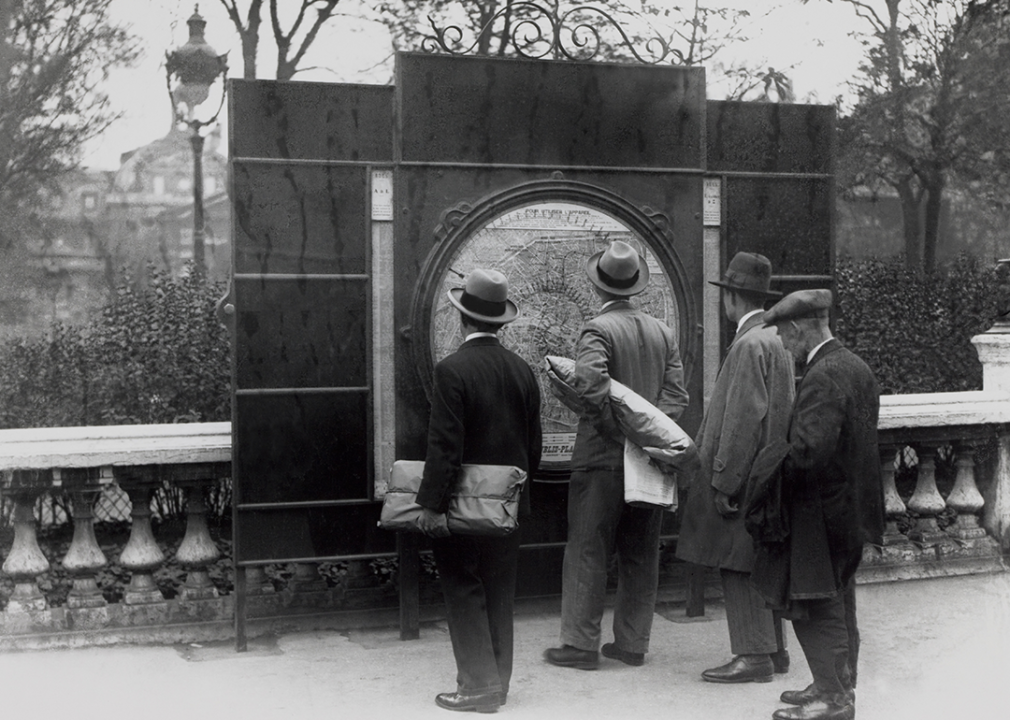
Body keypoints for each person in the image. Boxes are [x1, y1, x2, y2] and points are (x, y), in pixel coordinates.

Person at [544, 240, 689, 670]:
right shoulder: (663, 333)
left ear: (599, 286)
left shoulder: (597, 330)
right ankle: (632, 644)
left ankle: (580, 646)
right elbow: (675, 397)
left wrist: (617, 434)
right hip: (650, 460)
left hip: (602, 459)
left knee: (589, 547)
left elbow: (591, 388)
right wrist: (646, 439)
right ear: (636, 287)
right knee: (641, 552)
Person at [415, 268, 543, 714]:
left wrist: (431, 506)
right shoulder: (522, 370)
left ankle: (477, 687)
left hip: (464, 508)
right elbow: (534, 447)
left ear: (462, 319)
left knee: (463, 588)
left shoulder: (452, 371)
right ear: (499, 322)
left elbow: (445, 448)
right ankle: (497, 684)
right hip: (508, 506)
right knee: (499, 592)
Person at [760, 289, 884, 720]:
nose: (785, 347)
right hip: (852, 510)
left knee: (816, 602)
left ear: (797, 328)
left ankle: (834, 699)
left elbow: (809, 452)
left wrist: (771, 464)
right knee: (840, 598)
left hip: (822, 512)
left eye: (785, 337)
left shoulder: (823, 374)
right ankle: (834, 683)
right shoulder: (855, 366)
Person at [675, 252, 795, 684]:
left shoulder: (747, 345)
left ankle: (753, 654)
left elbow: (744, 417)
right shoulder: (776, 338)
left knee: (736, 562)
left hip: (743, 475)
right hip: (769, 469)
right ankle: (774, 650)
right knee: (759, 558)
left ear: (733, 299)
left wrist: (724, 480)